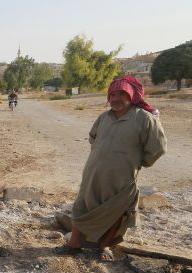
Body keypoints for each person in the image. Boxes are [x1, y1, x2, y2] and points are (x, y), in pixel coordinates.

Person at [55, 75, 167, 261]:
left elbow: (157, 148)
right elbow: (93, 137)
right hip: (94, 173)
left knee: (117, 212)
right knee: (82, 206)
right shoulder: (104, 117)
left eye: (121, 94)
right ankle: (73, 244)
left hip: (123, 177)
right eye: (112, 94)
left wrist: (137, 161)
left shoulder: (145, 119)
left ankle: (103, 246)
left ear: (131, 95)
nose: (115, 99)